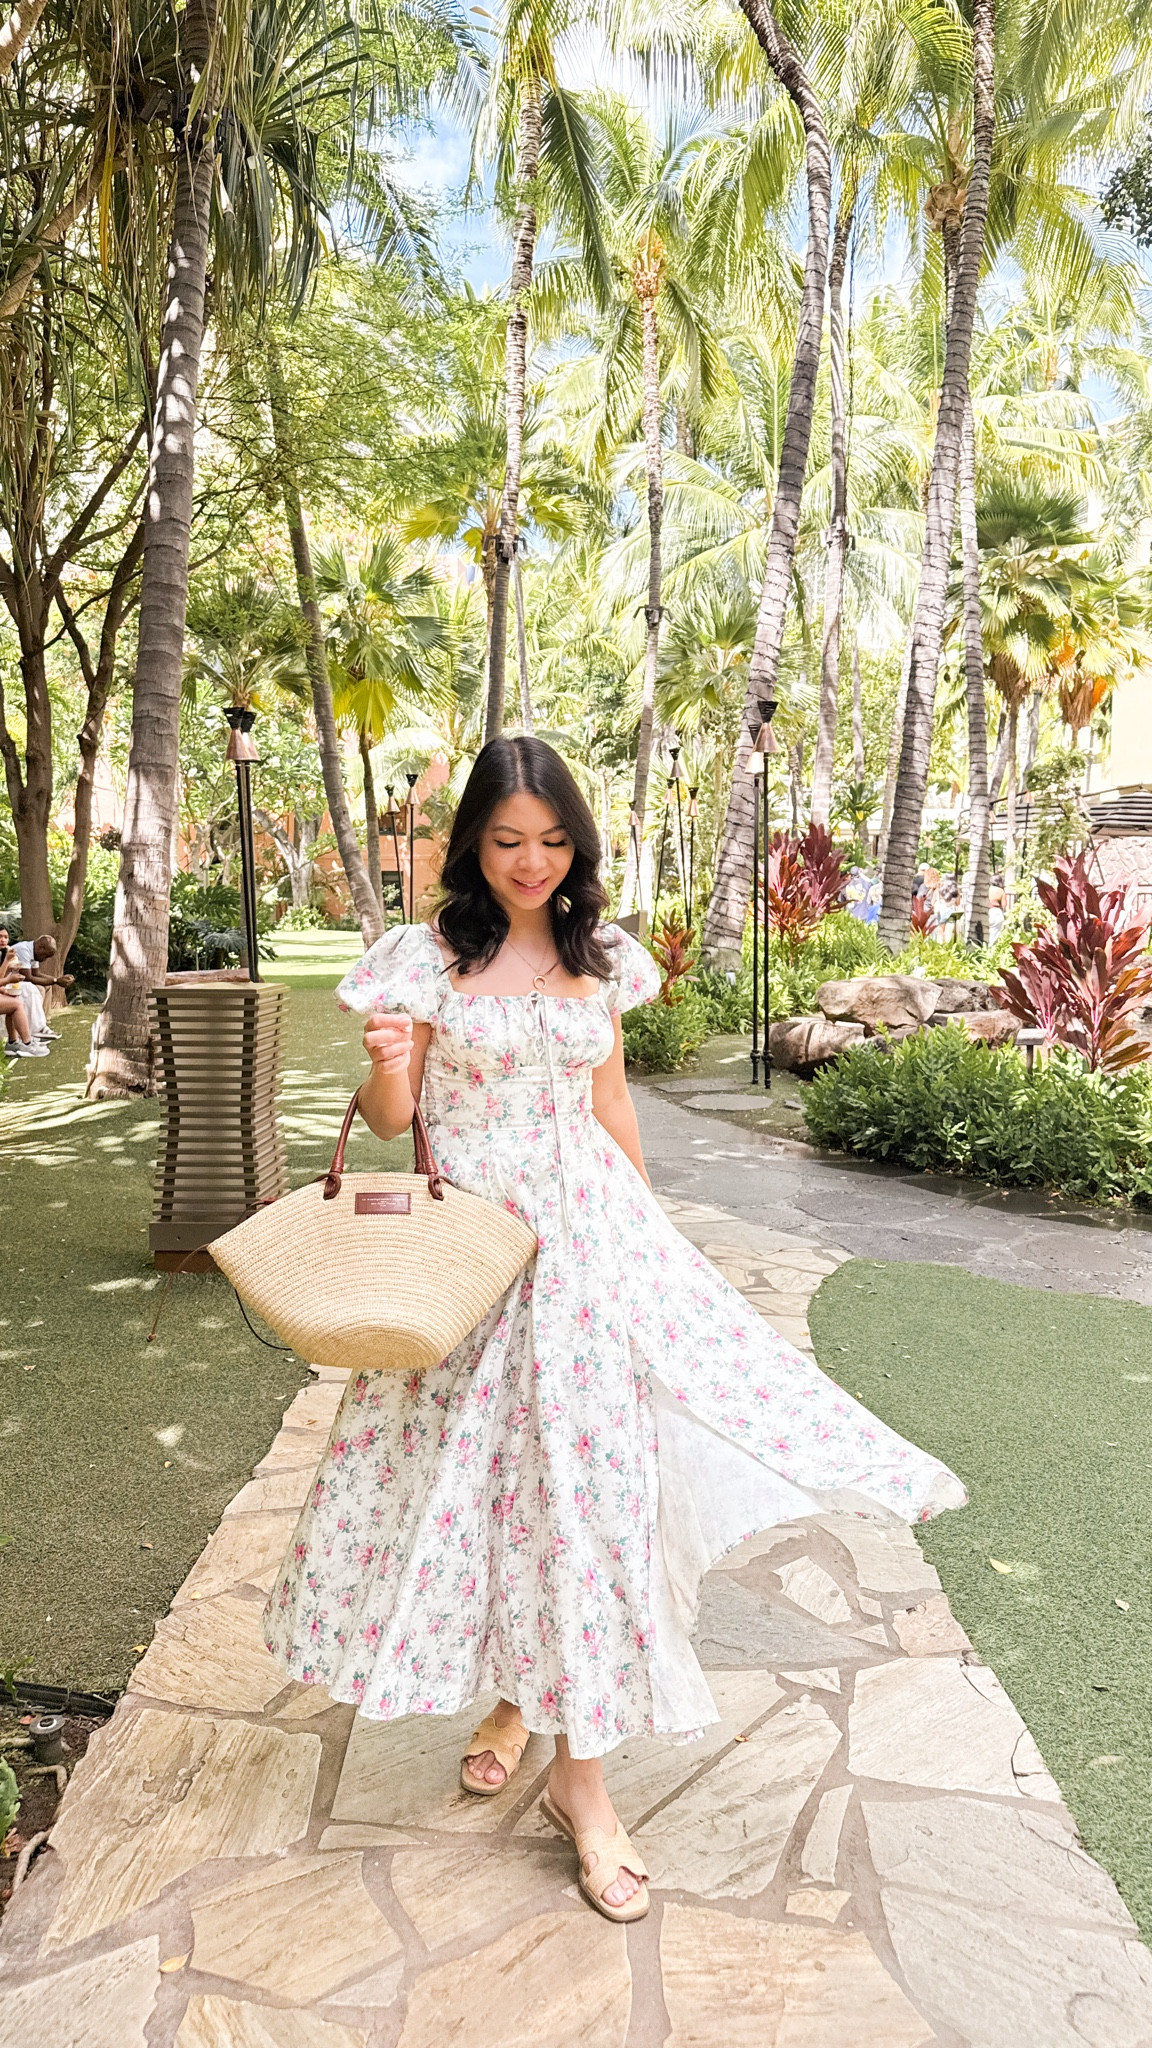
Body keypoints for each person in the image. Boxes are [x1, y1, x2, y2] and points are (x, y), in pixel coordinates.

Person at [263, 736, 966, 1924]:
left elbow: (610, 1101)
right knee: (492, 1496)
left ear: (576, 846)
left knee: (588, 1506)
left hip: (590, 1257)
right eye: (506, 840)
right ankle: (515, 1697)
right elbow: (391, 1119)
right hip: (474, 1264)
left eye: (551, 840)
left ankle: (580, 1784)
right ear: (473, 844)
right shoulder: (427, 961)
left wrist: (654, 1239)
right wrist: (385, 1062)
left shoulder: (598, 958)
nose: (530, 862)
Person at [0, 930, 45, 1058]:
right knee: (17, 1004)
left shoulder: (4, 952)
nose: (3, 940)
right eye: (0, 937)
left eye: (5, 937)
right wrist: (8, 976)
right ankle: (27, 1043)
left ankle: (13, 1042)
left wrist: (4, 990)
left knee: (12, 1000)